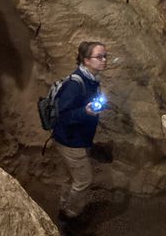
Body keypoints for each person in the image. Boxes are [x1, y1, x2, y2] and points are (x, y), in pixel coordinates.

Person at [53, 40, 108, 227]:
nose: (104, 60)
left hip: (77, 138)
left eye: (105, 56)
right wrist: (86, 112)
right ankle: (71, 217)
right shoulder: (76, 84)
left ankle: (63, 210)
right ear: (86, 60)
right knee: (84, 180)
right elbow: (63, 115)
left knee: (71, 178)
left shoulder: (91, 80)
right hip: (70, 141)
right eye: (99, 57)